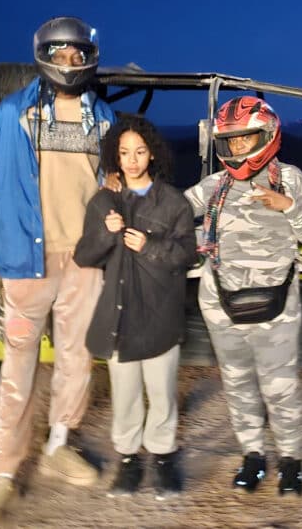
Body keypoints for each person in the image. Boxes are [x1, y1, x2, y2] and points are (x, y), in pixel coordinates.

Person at [0, 16, 116, 529]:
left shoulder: (104, 119)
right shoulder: (14, 113)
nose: (70, 62)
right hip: (31, 258)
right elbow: (2, 179)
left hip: (84, 256)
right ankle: (3, 473)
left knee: (77, 355)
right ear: (43, 55)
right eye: (61, 53)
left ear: (88, 58)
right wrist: (12, 246)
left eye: (78, 54)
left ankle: (58, 444)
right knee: (20, 362)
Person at [184, 96, 302, 497]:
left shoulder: (289, 178)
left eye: (246, 139)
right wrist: (129, 195)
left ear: (267, 135)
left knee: (280, 387)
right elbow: (171, 211)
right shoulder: (215, 185)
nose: (240, 148)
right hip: (221, 303)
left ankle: (291, 460)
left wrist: (288, 206)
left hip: (276, 305)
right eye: (232, 141)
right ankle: (253, 455)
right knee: (238, 382)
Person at [73, 115, 197, 501]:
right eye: (124, 152)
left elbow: (187, 256)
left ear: (152, 154)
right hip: (120, 315)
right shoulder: (105, 201)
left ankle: (162, 458)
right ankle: (128, 461)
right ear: (114, 155)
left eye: (139, 151)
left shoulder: (174, 202)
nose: (132, 159)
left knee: (161, 393)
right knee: (125, 394)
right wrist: (105, 233)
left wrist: (149, 247)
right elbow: (83, 256)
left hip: (160, 313)